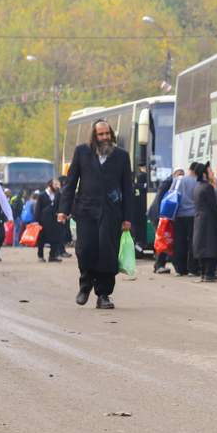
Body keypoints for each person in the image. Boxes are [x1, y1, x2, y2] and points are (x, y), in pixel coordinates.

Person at [59, 120, 135, 309]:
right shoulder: (81, 152)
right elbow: (71, 183)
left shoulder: (122, 156)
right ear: (94, 136)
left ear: (112, 135)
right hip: (85, 212)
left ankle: (103, 295)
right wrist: (63, 210)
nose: (105, 138)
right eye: (100, 134)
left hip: (111, 213)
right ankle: (85, 288)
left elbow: (128, 188)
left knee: (108, 255)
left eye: (107, 134)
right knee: (85, 250)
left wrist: (128, 217)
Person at [192, 162, 217, 282]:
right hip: (209, 220)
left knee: (202, 246)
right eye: (210, 171)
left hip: (199, 220)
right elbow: (213, 206)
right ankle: (209, 274)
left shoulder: (197, 187)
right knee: (211, 246)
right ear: (204, 174)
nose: (213, 173)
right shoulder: (208, 187)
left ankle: (203, 273)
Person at [168, 164, 200, 277]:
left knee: (179, 242)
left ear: (189, 169)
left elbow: (171, 194)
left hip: (179, 215)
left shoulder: (179, 180)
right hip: (194, 216)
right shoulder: (199, 181)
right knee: (193, 242)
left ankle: (179, 269)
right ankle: (192, 269)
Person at [148, 169, 181, 274]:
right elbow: (159, 199)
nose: (181, 177)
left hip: (162, 215)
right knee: (162, 239)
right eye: (179, 175)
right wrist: (161, 217)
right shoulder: (167, 182)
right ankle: (159, 265)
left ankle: (158, 265)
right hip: (157, 215)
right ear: (174, 174)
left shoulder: (175, 183)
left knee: (163, 239)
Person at [35, 178, 64, 263]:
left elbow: (60, 207)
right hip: (43, 221)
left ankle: (52, 256)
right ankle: (40, 256)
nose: (57, 186)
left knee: (55, 238)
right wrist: (36, 221)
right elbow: (38, 209)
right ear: (50, 185)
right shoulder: (41, 195)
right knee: (42, 239)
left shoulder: (58, 195)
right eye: (55, 184)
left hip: (54, 221)